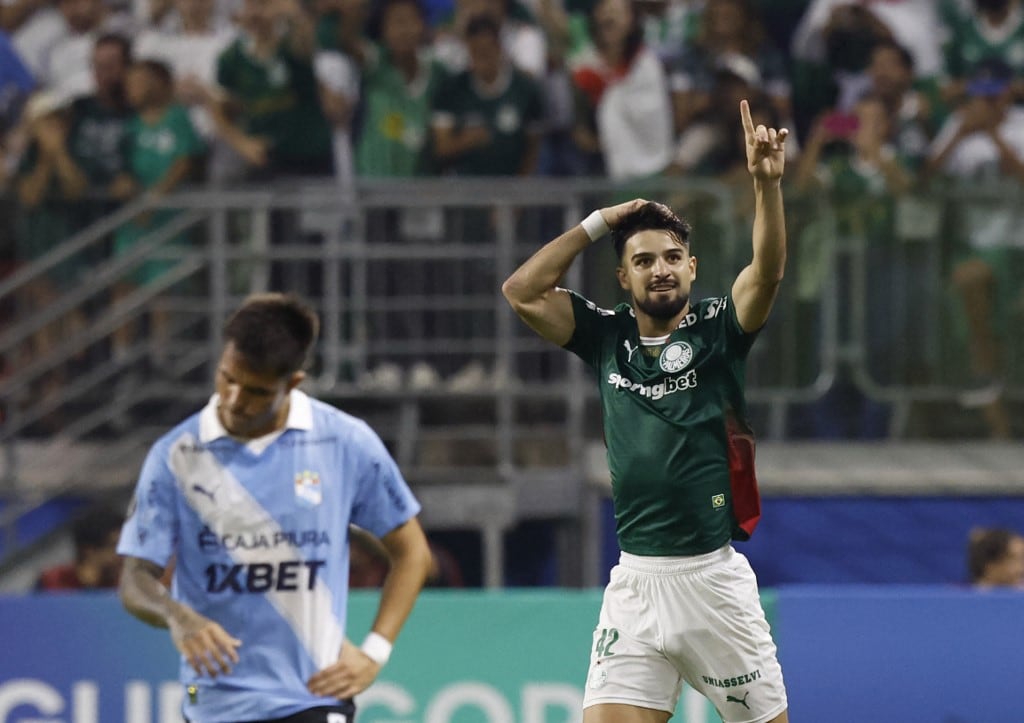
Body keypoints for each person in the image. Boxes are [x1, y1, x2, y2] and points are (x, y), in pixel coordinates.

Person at [502, 99, 789, 723]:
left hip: (713, 585)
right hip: (635, 583)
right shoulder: (605, 337)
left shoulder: (720, 328)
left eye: (669, 258)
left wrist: (767, 188)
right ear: (622, 279)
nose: (659, 269)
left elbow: (765, 274)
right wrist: (600, 220)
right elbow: (521, 292)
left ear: (691, 267)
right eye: (642, 261)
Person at [116, 292, 433, 723]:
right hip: (210, 698)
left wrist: (376, 650)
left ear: (293, 383)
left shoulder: (344, 442)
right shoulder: (175, 454)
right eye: (227, 378)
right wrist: (177, 617)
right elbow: (136, 577)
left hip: (314, 697)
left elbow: (412, 552)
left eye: (255, 391)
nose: (233, 399)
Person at [37, 505, 125, 590]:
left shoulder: (122, 587)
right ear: (89, 551)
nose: (122, 554)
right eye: (114, 546)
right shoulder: (52, 583)